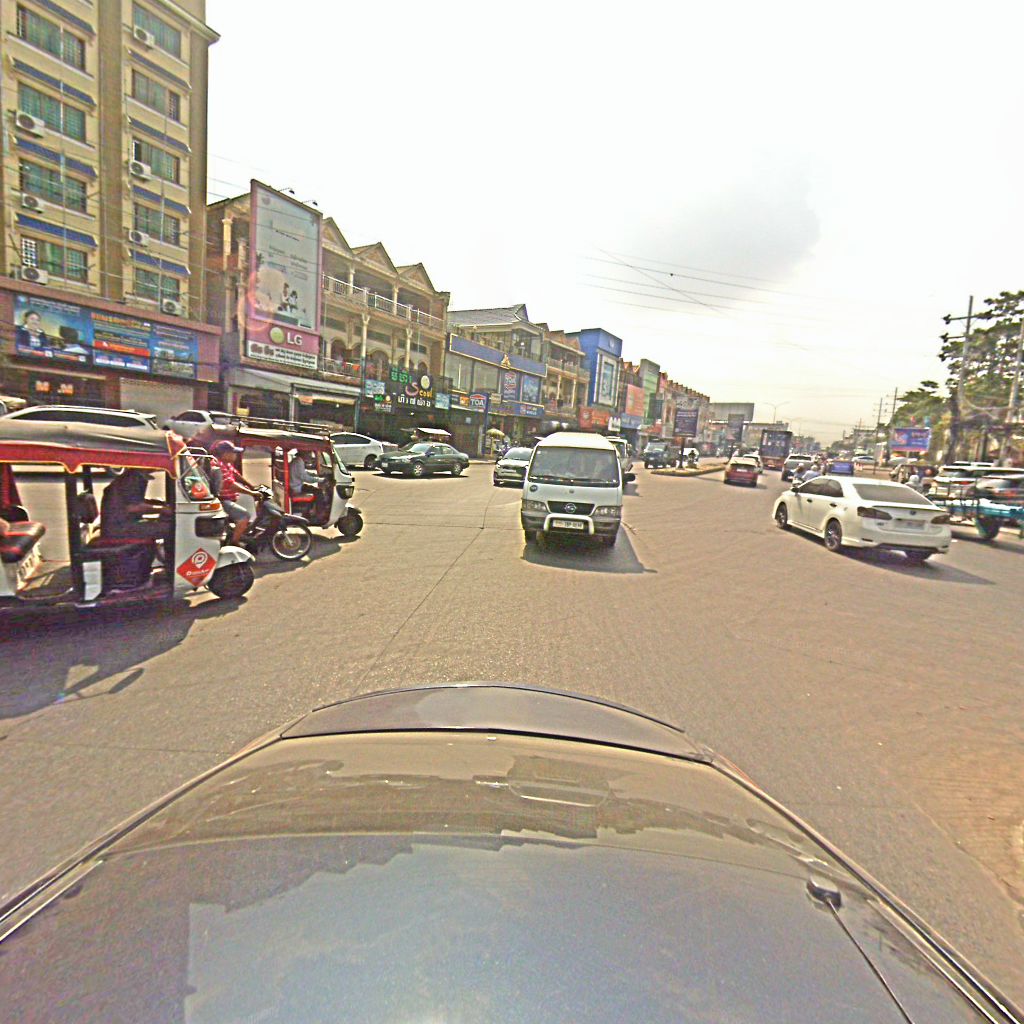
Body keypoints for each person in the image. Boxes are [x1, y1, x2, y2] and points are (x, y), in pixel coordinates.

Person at [210, 440, 261, 545]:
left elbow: (236, 475)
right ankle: (234, 542)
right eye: (233, 453)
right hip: (223, 500)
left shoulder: (226, 464)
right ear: (225, 454)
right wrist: (251, 493)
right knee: (244, 516)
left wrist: (252, 486)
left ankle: (239, 534)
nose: (235, 455)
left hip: (230, 499)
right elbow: (230, 484)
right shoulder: (218, 464)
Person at [99, 470, 169, 541]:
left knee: (161, 525)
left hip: (119, 525)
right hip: (119, 529)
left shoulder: (131, 476)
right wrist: (162, 509)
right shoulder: (132, 479)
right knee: (168, 528)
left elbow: (135, 500)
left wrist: (160, 503)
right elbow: (134, 508)